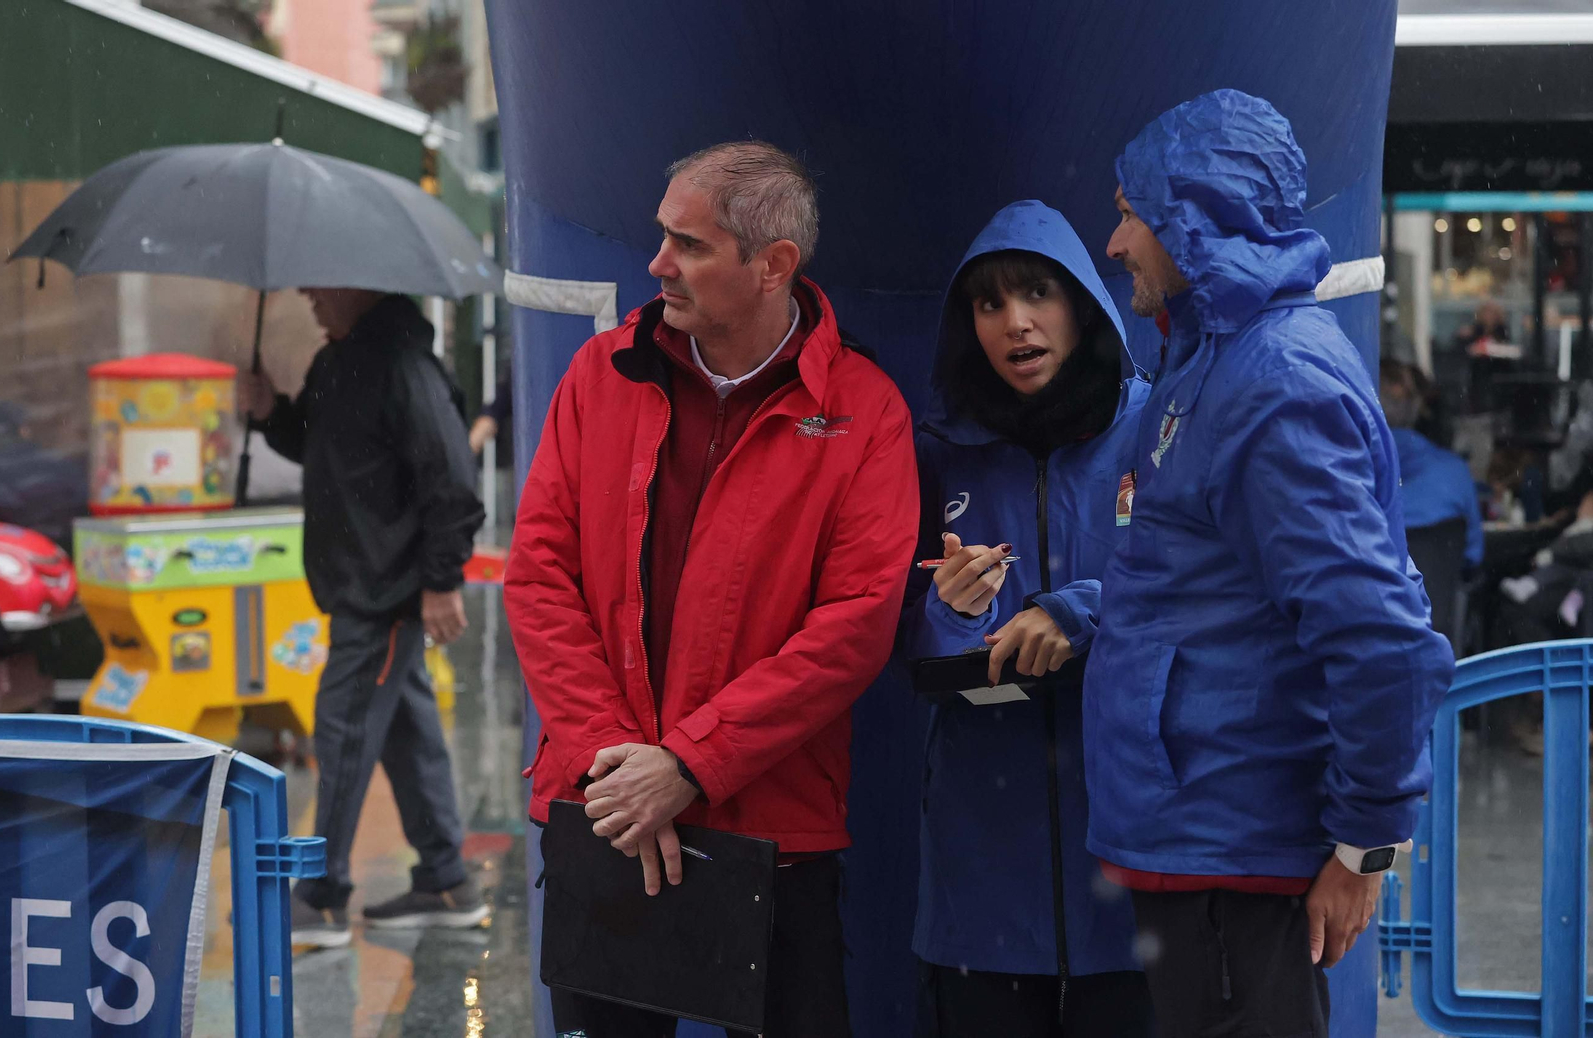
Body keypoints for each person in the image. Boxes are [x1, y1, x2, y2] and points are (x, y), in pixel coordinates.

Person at [503, 141, 918, 1038]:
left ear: (772, 267)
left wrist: (690, 765)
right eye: (662, 237)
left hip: (772, 832)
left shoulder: (864, 408)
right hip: (605, 812)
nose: (656, 266)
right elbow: (538, 578)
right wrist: (618, 763)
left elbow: (855, 624)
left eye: (688, 245)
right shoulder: (599, 374)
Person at [1085, 89, 1454, 1037]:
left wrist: (1366, 840)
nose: (1116, 243)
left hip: (1235, 856)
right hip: (1207, 843)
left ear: (1194, 216)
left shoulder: (1270, 383)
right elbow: (1197, 589)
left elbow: (1377, 632)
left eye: (1130, 213)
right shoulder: (1215, 362)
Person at [898, 200, 1152, 1038]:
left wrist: (1078, 612)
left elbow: (1215, 586)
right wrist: (947, 614)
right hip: (983, 867)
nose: (1016, 323)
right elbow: (888, 626)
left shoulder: (1155, 428)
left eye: (1037, 294)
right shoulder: (936, 450)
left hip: (1133, 847)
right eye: (989, 303)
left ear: (1082, 301)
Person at [241, 287, 488, 948]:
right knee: (406, 731)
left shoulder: (406, 365)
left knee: (344, 728)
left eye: (320, 282)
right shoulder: (337, 360)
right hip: (361, 584)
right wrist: (271, 414)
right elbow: (325, 446)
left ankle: (323, 896)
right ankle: (444, 880)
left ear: (359, 284)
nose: (306, 294)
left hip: (388, 591)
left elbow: (453, 479)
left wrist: (441, 581)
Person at [1381, 358, 1484, 571]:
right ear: (1417, 407)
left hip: (1374, 602)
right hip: (1440, 601)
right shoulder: (1456, 472)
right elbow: (1473, 556)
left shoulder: (1351, 478)